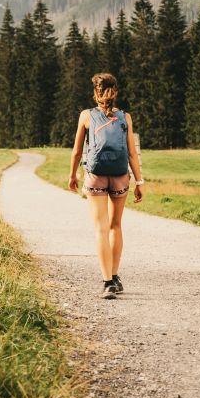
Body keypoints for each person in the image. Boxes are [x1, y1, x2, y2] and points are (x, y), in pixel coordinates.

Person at [68, 72, 144, 299]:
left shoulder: (86, 116)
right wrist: (139, 182)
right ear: (115, 92)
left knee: (101, 228)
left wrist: (72, 175)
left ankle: (108, 282)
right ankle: (115, 275)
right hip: (120, 176)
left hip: (95, 176)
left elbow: (76, 151)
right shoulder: (125, 117)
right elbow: (132, 153)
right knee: (115, 226)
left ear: (96, 92)